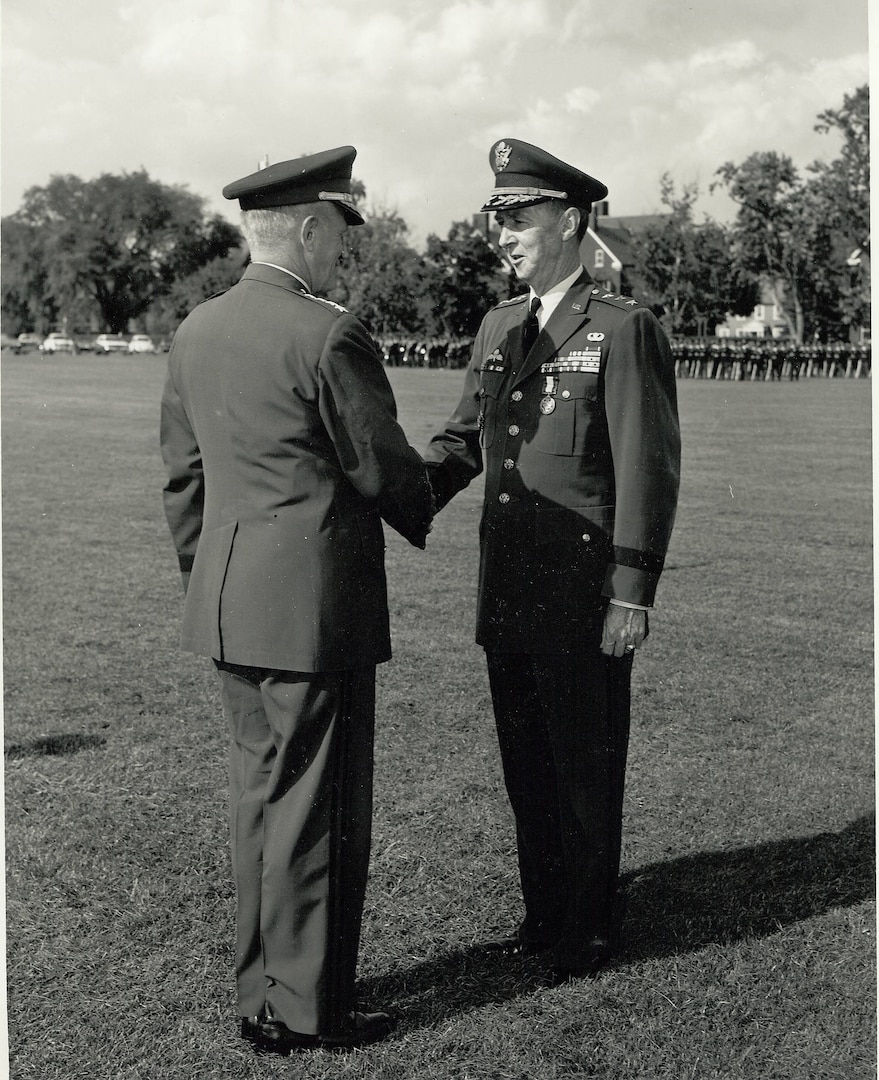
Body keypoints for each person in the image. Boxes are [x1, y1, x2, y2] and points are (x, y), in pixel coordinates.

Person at [160, 146, 434, 1054]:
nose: (340, 255)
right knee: (315, 813)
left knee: (257, 803)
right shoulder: (325, 332)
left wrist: (217, 580)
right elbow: (381, 467)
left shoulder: (196, 330)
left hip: (233, 606)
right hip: (312, 615)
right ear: (310, 227)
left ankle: (260, 996)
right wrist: (443, 477)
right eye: (338, 234)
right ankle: (310, 1011)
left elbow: (184, 481)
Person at [423, 138, 680, 981]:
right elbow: (462, 440)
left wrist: (631, 592)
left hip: (580, 590)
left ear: (569, 222)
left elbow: (645, 464)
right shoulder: (500, 325)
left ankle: (590, 925)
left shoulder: (618, 327)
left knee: (582, 763)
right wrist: (390, 489)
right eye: (497, 220)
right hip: (510, 587)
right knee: (526, 763)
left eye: (520, 218)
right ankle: (542, 916)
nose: (504, 235)